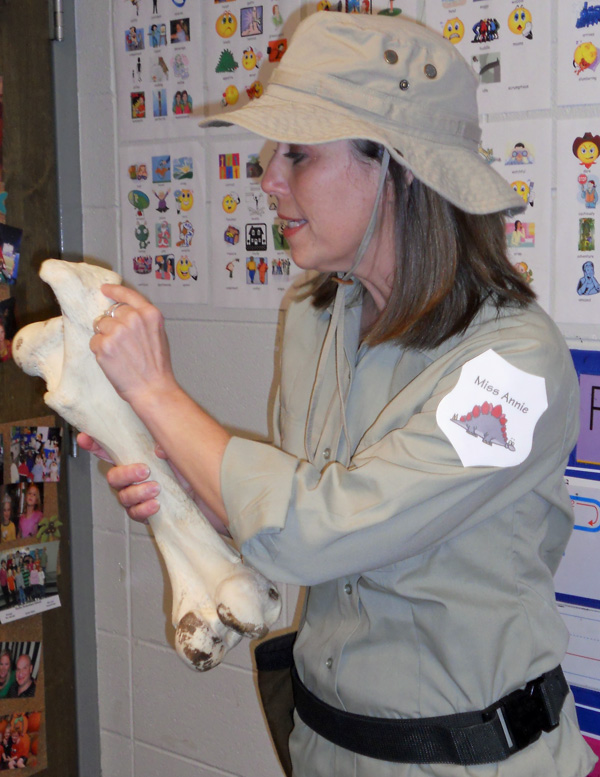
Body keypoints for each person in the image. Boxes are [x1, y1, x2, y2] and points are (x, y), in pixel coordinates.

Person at [80, 13, 596, 777]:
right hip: (323, 746)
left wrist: (157, 390)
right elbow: (291, 520)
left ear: (399, 168)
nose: (268, 177)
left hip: (470, 761)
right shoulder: (319, 315)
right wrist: (175, 473)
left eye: (298, 152)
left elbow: (318, 529)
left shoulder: (515, 366)